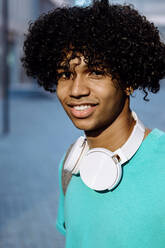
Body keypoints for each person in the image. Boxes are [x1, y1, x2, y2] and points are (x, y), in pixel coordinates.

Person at [22, 0, 165, 247]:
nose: (76, 90)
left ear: (128, 79)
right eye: (65, 75)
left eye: (96, 72)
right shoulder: (70, 167)